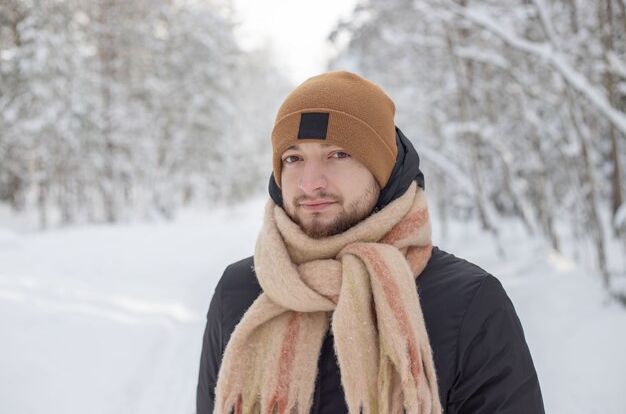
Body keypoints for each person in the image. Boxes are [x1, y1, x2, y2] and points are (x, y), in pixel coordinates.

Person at [196, 71, 545, 414]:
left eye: (338, 154)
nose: (310, 182)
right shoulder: (240, 289)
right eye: (294, 158)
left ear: (383, 169)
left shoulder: (470, 301)